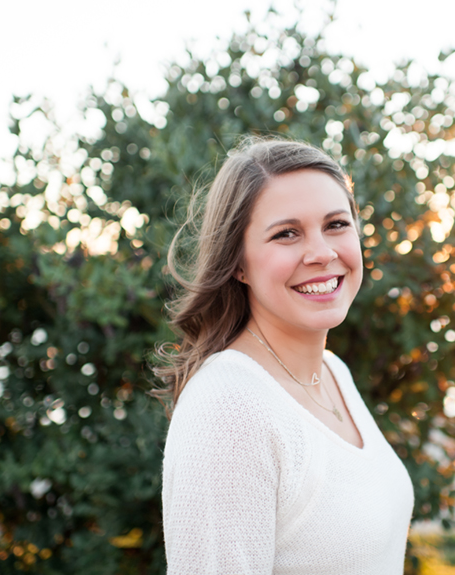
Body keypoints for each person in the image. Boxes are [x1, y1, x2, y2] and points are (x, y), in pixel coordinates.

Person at [154, 137, 415, 574]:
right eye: (286, 233)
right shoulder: (229, 410)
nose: (322, 253)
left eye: (336, 224)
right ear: (238, 262)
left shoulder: (334, 374)